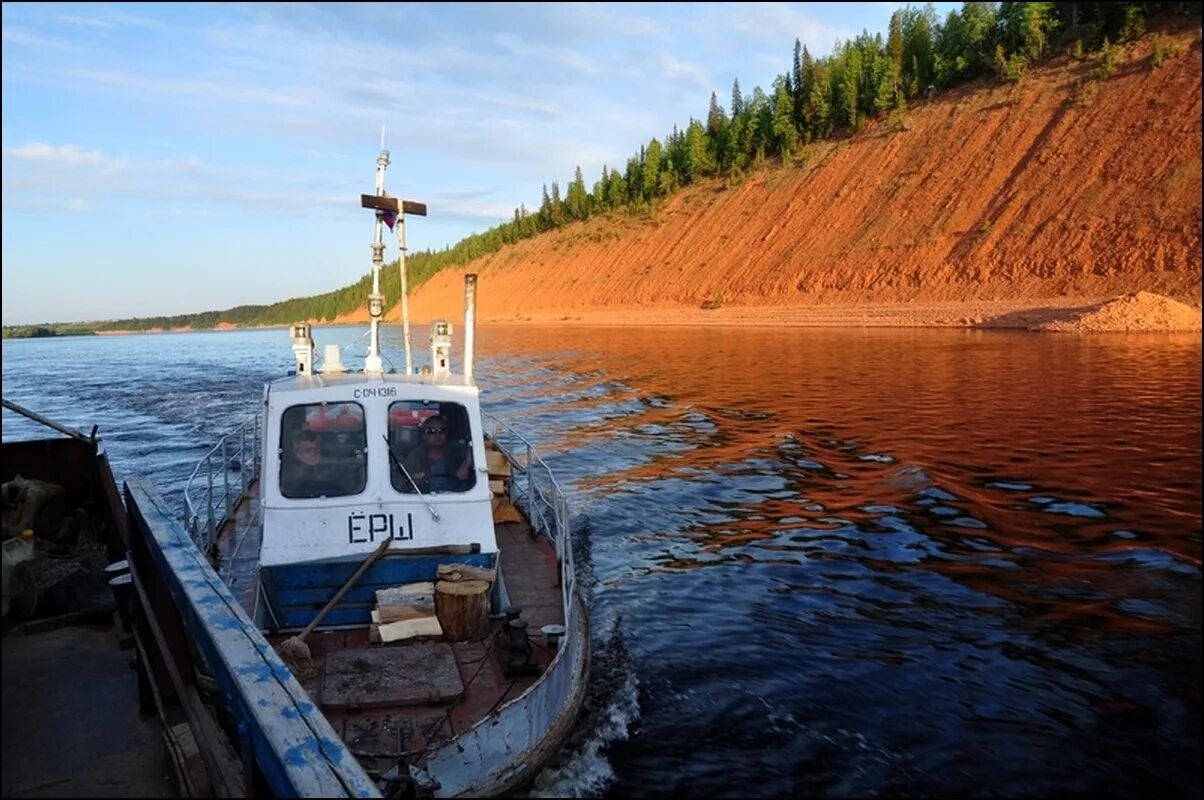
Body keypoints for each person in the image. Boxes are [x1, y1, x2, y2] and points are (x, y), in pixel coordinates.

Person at [401, 415, 473, 493]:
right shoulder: (415, 455)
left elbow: (475, 450)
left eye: (442, 430)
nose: (437, 435)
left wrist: (466, 464)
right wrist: (414, 480)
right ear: (423, 435)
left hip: (457, 497)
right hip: (425, 498)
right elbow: (403, 482)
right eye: (431, 431)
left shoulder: (457, 450)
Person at [281, 429, 358, 498]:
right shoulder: (288, 474)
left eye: (316, 448)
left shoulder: (336, 468)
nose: (313, 453)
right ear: (297, 453)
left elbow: (347, 490)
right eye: (307, 450)